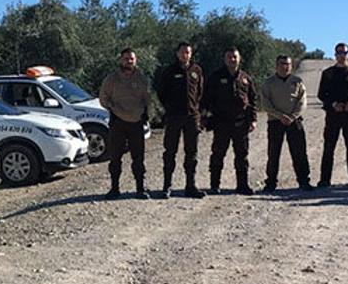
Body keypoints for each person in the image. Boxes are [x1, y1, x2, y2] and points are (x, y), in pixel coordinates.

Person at [202, 47, 258, 194]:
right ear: (224, 59)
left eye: (234, 57)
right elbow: (207, 98)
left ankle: (242, 185)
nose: (232, 59)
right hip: (222, 123)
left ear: (239, 59)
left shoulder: (245, 78)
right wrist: (205, 117)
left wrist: (253, 119)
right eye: (229, 57)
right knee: (218, 154)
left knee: (242, 155)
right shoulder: (215, 77)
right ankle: (215, 185)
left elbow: (253, 100)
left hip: (241, 123)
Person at [154, 42, 206, 199]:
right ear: (177, 53)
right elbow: (161, 92)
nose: (186, 55)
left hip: (191, 117)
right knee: (170, 152)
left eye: (188, 52)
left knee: (192, 153)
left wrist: (198, 110)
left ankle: (190, 186)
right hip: (174, 117)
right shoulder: (169, 71)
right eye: (183, 52)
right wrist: (170, 108)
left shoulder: (196, 70)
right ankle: (167, 186)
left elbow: (200, 92)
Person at [100, 47, 152, 200]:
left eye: (132, 59)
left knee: (138, 158)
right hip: (118, 123)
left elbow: (148, 99)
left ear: (135, 61)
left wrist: (145, 114)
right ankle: (114, 188)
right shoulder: (111, 79)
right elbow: (103, 98)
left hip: (136, 124)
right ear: (120, 60)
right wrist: (115, 109)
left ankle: (140, 189)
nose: (129, 61)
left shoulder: (142, 79)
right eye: (126, 58)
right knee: (115, 158)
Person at [260, 55, 313, 192]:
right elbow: (265, 103)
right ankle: (271, 183)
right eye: (282, 64)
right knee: (273, 153)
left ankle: (304, 181)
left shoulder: (297, 82)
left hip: (294, 122)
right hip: (275, 122)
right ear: (276, 65)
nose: (285, 66)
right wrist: (279, 115)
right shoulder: (269, 83)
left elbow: (302, 102)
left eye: (288, 64)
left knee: (299, 152)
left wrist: (292, 116)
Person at [317, 43, 348, 187]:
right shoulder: (328, 73)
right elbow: (321, 94)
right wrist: (333, 104)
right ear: (335, 55)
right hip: (333, 116)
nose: (341, 55)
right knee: (329, 148)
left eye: (344, 52)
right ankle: (324, 180)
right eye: (339, 53)